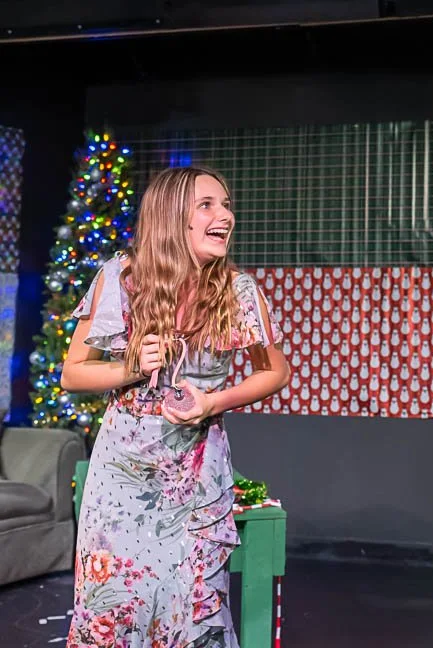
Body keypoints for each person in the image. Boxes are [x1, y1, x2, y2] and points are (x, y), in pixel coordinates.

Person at [62, 166, 290, 648]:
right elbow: (73, 373)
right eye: (207, 205)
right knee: (117, 604)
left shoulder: (237, 290)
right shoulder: (122, 278)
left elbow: (275, 371)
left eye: (226, 205)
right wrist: (131, 367)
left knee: (188, 606)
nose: (225, 216)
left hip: (195, 472)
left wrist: (214, 401)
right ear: (171, 216)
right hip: (122, 477)